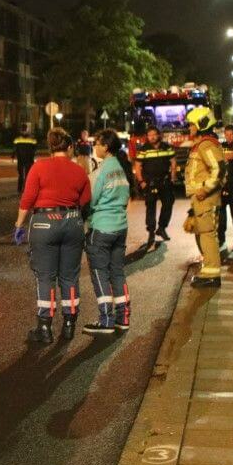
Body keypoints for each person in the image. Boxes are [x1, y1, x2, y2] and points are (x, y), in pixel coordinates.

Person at [13, 128, 91, 344]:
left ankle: (44, 328)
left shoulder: (39, 167)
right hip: (72, 221)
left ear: (50, 147)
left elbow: (27, 198)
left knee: (45, 276)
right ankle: (69, 324)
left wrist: (19, 225)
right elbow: (86, 199)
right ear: (70, 147)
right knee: (70, 276)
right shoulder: (79, 171)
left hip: (44, 224)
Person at [83, 130, 131, 335]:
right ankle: (123, 317)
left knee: (99, 273)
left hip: (101, 227)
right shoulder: (120, 169)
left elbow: (91, 200)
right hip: (120, 226)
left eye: (98, 143)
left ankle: (106, 320)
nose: (95, 147)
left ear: (106, 147)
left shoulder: (102, 171)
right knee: (117, 272)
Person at [184, 108, 225, 288]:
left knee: (208, 235)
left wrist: (205, 190)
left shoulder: (206, 145)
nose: (190, 128)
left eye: (192, 124)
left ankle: (212, 274)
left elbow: (219, 169)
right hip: (201, 199)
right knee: (203, 234)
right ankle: (208, 269)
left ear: (201, 124)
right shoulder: (202, 144)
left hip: (205, 198)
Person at [133, 126, 177, 246]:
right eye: (149, 135)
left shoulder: (166, 147)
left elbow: (173, 161)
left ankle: (162, 228)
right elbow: (137, 166)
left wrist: (173, 177)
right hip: (150, 182)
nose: (152, 137)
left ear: (158, 135)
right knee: (151, 207)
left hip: (165, 181)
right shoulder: (144, 149)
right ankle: (151, 232)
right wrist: (141, 181)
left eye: (154, 134)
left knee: (168, 203)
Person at [12, 123, 37, 194]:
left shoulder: (17, 139)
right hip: (29, 160)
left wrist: (13, 157)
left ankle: (20, 189)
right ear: (27, 129)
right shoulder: (32, 139)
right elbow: (34, 149)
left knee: (21, 175)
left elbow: (15, 149)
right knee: (28, 175)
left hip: (20, 160)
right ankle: (26, 189)